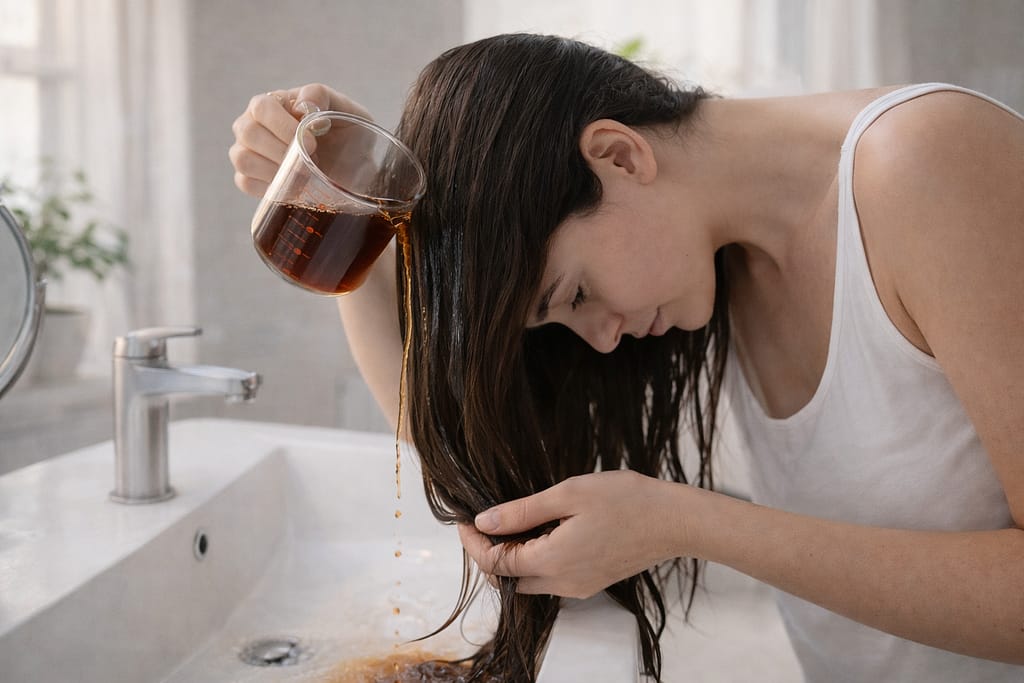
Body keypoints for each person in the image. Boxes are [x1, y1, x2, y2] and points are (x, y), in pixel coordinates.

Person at [229, 33, 1024, 682]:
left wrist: (686, 522)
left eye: (573, 294)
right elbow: (444, 435)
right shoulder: (722, 260)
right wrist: (360, 215)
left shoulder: (927, 163)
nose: (602, 336)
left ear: (618, 155)